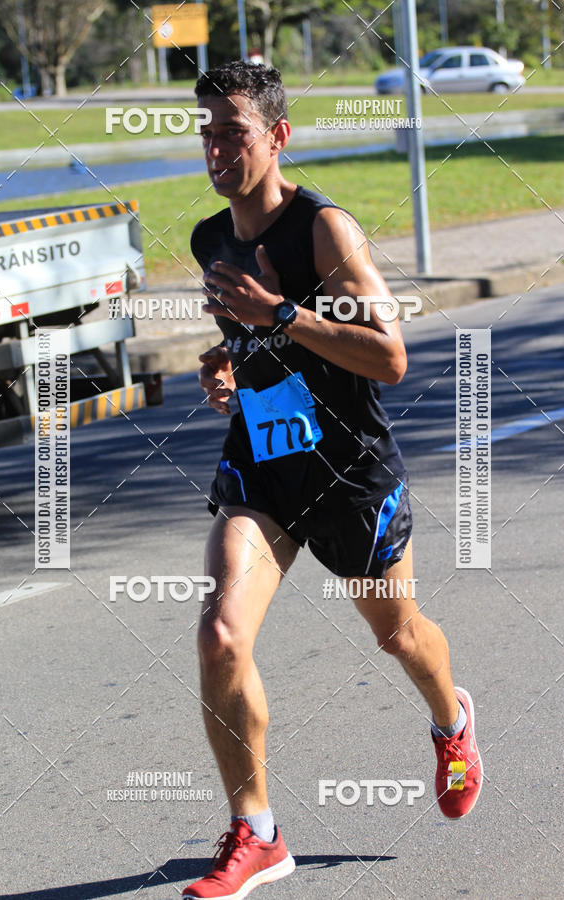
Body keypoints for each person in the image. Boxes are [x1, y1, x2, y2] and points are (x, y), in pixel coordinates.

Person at [183, 60, 482, 900]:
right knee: (220, 635)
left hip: (348, 473)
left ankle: (452, 722)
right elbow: (255, 350)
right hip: (263, 471)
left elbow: (389, 355)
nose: (215, 144)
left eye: (232, 129)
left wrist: (281, 313)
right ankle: (259, 834)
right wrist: (228, 366)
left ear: (276, 137)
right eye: (205, 128)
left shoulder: (323, 231)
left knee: (398, 636)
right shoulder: (212, 241)